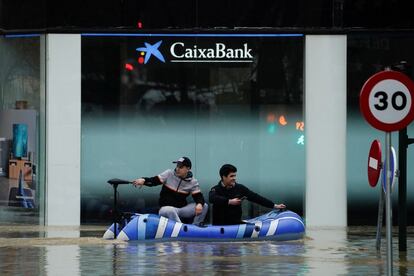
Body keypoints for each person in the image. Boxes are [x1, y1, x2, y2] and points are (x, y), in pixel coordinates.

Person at [132, 157, 208, 225]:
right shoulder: (169, 174)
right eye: (177, 166)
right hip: (165, 209)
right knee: (170, 210)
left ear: (188, 169)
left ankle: (195, 227)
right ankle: (181, 230)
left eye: (181, 167)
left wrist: (199, 204)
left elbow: (198, 196)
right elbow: (154, 181)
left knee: (204, 206)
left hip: (180, 210)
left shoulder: (193, 181)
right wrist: (143, 180)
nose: (177, 168)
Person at [209, 164, 286, 225]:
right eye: (231, 176)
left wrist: (274, 205)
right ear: (224, 177)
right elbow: (212, 198)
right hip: (220, 225)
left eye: (235, 175)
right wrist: (229, 201)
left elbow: (256, 197)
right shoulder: (216, 189)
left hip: (236, 224)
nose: (234, 178)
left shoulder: (240, 188)